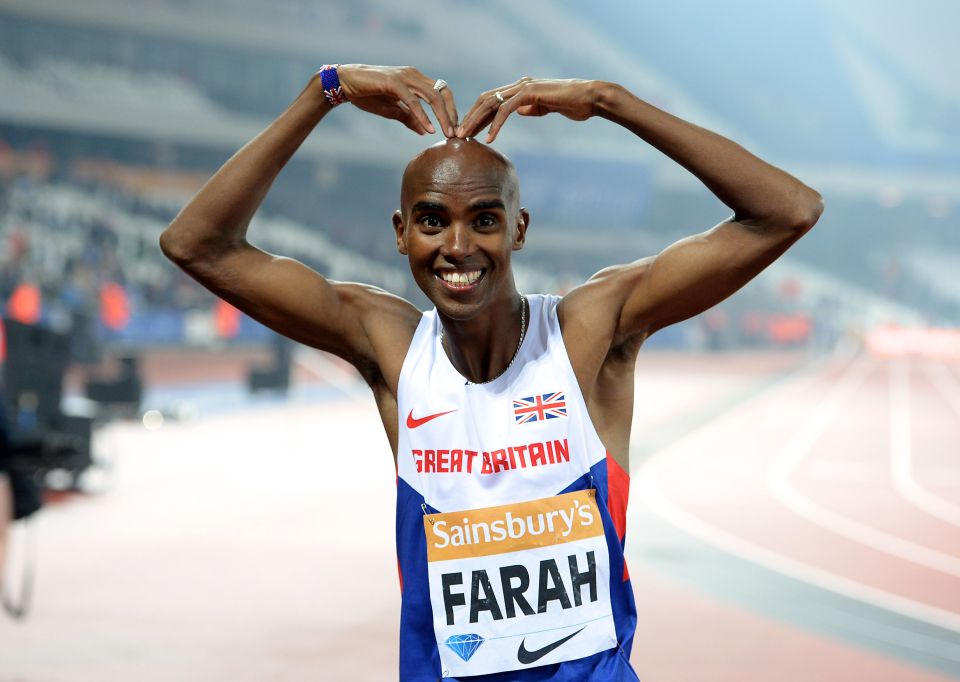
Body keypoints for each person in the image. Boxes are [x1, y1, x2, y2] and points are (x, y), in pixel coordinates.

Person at [160, 64, 822, 681]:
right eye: (431, 220)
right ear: (400, 232)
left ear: (519, 230)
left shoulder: (589, 332)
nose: (457, 246)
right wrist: (322, 92)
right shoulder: (389, 346)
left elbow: (787, 210)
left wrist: (608, 102)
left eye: (484, 220)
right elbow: (196, 244)